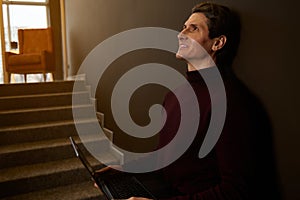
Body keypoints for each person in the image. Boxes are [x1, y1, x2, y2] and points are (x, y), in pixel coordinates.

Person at [97, 2, 281, 199]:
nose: (181, 34)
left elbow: (236, 190)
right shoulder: (174, 95)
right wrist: (124, 169)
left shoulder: (228, 100)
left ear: (217, 43)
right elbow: (164, 157)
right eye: (183, 27)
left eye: (193, 28)